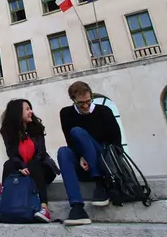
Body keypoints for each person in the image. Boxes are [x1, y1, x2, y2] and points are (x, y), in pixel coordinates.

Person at [57, 81, 121, 226]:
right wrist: (81, 156)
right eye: (81, 103)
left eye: (88, 101)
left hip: (103, 162)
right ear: (73, 100)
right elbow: (70, 142)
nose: (85, 106)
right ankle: (77, 207)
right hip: (84, 163)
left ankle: (100, 183)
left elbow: (116, 143)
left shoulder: (104, 111)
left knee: (77, 131)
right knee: (63, 152)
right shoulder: (66, 113)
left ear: (91, 97)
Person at [0, 98, 59, 223]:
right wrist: (21, 166)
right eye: (27, 109)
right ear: (17, 112)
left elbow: (41, 153)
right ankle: (4, 205)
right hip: (22, 169)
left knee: (34, 163)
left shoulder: (37, 128)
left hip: (42, 168)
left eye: (30, 109)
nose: (31, 112)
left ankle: (44, 208)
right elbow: (11, 154)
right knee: (8, 165)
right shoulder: (8, 131)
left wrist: (28, 167)